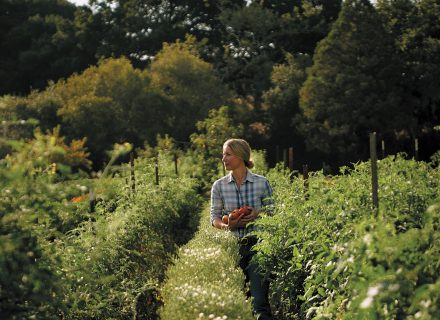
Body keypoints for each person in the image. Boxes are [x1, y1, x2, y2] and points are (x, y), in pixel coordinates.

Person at [210, 138, 273, 320]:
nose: (224, 158)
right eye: (223, 154)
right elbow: (214, 218)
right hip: (232, 248)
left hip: (258, 247)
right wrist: (227, 225)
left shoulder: (262, 183)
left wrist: (257, 213)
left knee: (259, 303)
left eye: (228, 154)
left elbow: (274, 212)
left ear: (240, 156)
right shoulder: (219, 186)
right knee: (238, 303)